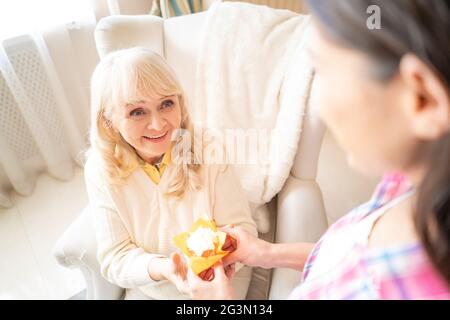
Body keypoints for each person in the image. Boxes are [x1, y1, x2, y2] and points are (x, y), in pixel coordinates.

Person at [186, 0, 450, 299]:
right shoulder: (407, 182)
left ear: (422, 98)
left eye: (324, 70)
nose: (319, 105)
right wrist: (265, 252)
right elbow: (346, 257)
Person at [84, 47, 257, 299]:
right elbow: (116, 257)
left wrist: (209, 271)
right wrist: (166, 269)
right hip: (156, 288)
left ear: (180, 103)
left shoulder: (207, 147)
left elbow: (243, 230)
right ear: (109, 120)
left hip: (225, 277)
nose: (157, 124)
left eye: (166, 104)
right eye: (137, 111)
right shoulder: (100, 170)